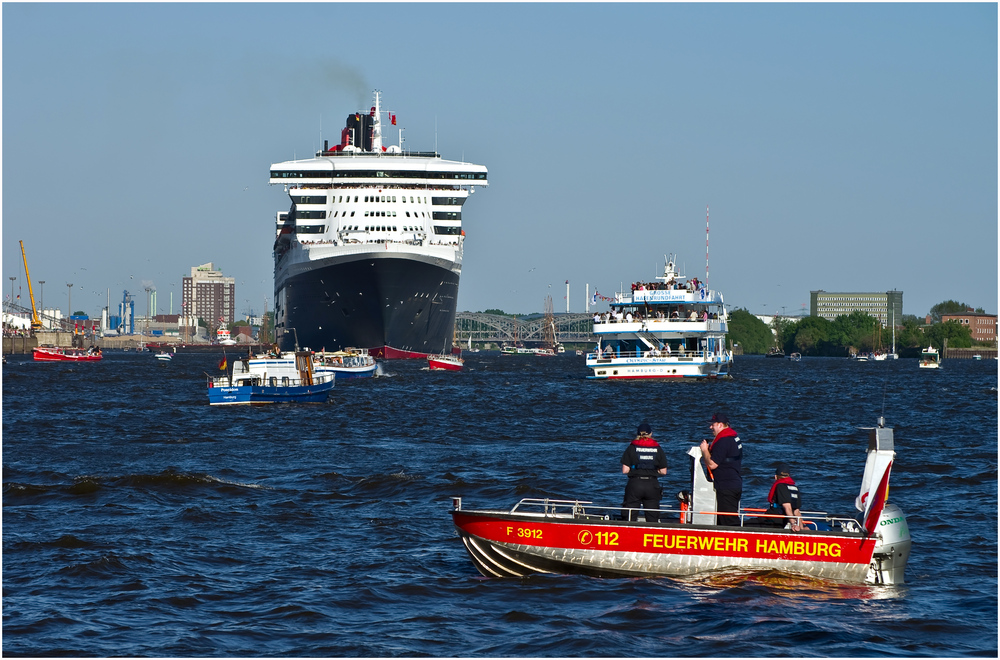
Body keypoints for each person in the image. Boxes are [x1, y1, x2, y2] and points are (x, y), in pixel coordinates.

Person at [699, 413, 743, 526]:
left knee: (729, 521)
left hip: (726, 486)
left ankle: (736, 540)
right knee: (724, 519)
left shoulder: (723, 441)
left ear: (720, 425)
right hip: (734, 483)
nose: (710, 427)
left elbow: (713, 464)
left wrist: (704, 450)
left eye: (712, 425)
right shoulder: (734, 437)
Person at [621, 422, 668, 522]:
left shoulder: (632, 447)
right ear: (651, 434)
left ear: (638, 434)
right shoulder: (657, 448)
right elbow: (664, 471)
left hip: (635, 484)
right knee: (652, 516)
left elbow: (625, 470)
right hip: (652, 485)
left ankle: (629, 534)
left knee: (629, 515)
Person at [765, 463, 802, 530]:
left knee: (747, 524)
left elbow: (787, 507)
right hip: (784, 519)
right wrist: (802, 528)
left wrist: (793, 524)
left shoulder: (780, 486)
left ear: (776, 477)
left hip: (775, 519)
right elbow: (797, 511)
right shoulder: (794, 488)